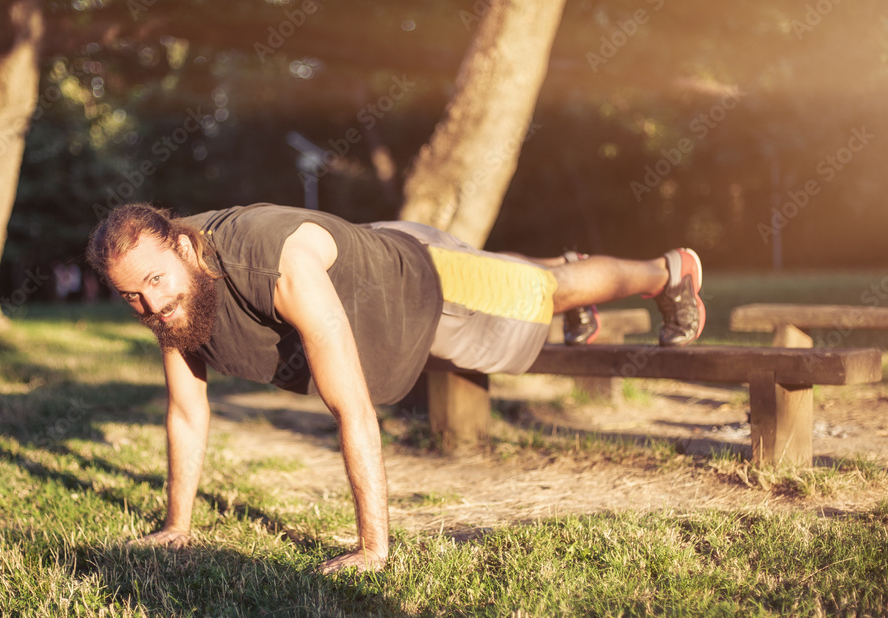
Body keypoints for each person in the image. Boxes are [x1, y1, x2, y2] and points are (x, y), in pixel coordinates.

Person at [85, 202, 705, 573]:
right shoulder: (172, 287)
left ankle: (668, 271)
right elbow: (188, 413)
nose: (150, 304)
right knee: (525, 280)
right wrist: (177, 525)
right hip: (381, 252)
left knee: (545, 294)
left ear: (184, 245)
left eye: (156, 283)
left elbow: (351, 407)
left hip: (424, 289)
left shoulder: (273, 268)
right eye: (131, 295)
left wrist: (372, 547)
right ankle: (571, 278)